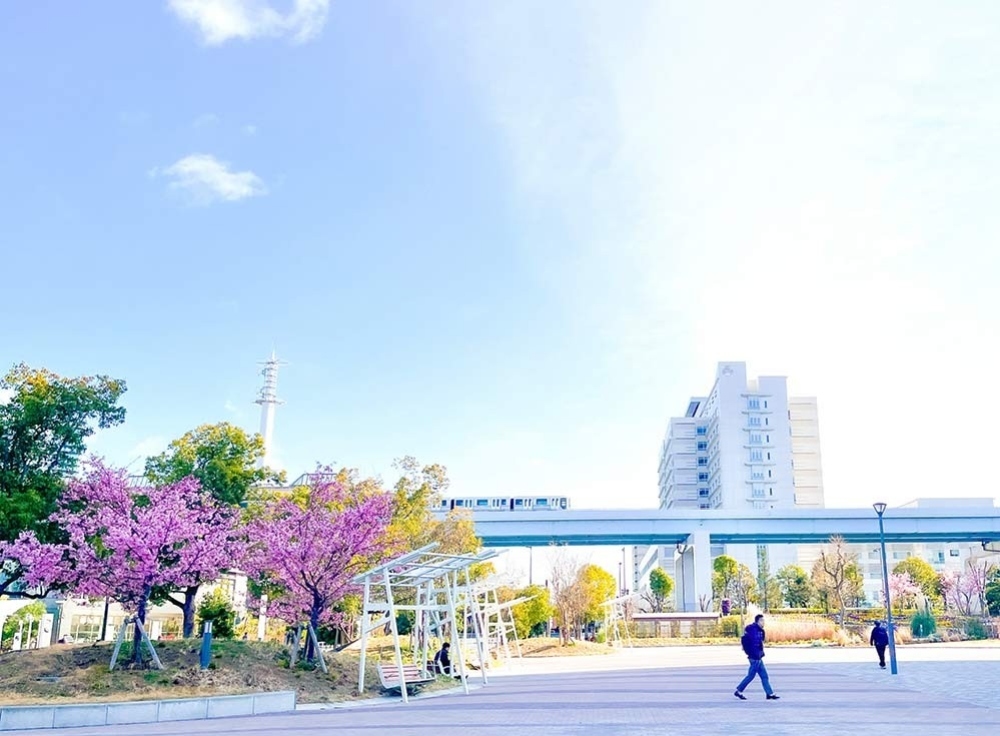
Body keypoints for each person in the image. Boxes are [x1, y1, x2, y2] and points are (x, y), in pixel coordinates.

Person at [734, 614, 779, 701]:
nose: (763, 622)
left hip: (758, 657)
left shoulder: (759, 630)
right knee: (751, 676)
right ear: (757, 621)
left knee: (764, 676)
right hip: (755, 658)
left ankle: (769, 693)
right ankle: (738, 690)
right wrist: (756, 656)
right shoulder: (754, 631)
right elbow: (754, 645)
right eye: (762, 621)